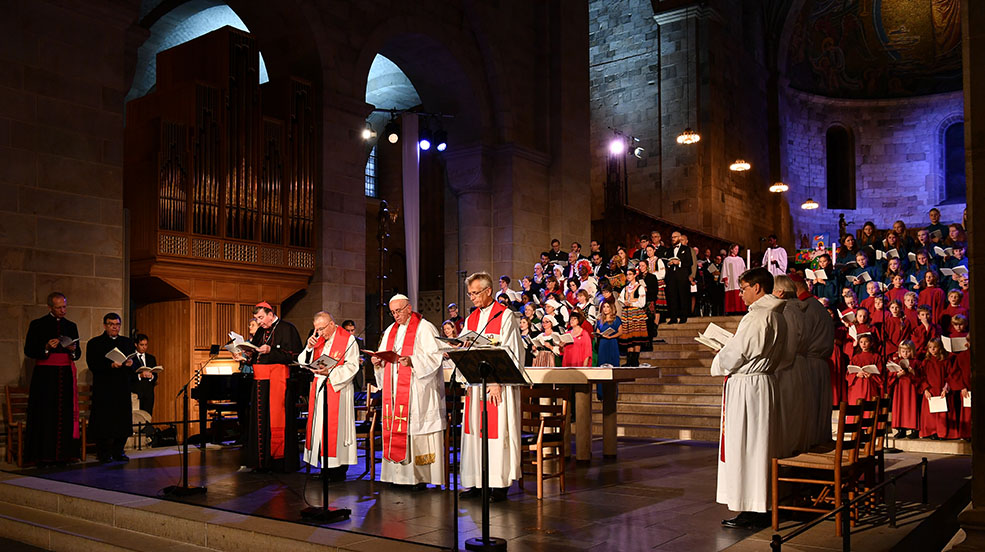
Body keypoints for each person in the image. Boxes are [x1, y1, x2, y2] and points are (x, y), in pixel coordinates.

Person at [713, 267, 786, 529]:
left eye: (743, 288)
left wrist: (720, 355)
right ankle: (760, 503)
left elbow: (736, 354)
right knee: (759, 445)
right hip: (763, 383)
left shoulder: (757, 317)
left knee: (745, 446)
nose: (741, 294)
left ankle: (751, 507)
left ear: (757, 287)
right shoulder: (778, 316)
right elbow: (785, 356)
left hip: (748, 387)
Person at [458, 272, 525, 502]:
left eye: (475, 293)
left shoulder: (505, 316)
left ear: (488, 291)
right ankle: (477, 482)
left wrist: (497, 381)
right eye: (470, 294)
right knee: (475, 433)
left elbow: (513, 351)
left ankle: (498, 484)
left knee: (496, 435)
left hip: (497, 388)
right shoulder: (471, 319)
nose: (472, 298)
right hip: (476, 386)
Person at [373, 295, 446, 488]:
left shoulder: (425, 328)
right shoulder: (390, 331)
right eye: (393, 312)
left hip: (417, 390)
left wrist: (412, 360)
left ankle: (419, 478)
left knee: (415, 432)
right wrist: (378, 362)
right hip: (395, 391)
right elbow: (384, 355)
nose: (396, 315)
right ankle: (397, 477)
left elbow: (435, 357)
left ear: (409, 308)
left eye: (399, 311)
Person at [242, 302, 303, 472]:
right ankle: (262, 461)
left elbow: (295, 356)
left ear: (270, 313)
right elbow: (256, 353)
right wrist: (249, 353)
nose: (259, 322)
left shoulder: (287, 328)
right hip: (260, 381)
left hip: (278, 381)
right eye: (257, 318)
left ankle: (279, 461)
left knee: (277, 419)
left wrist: (271, 351)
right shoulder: (261, 331)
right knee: (260, 421)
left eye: (261, 317)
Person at [298, 311, 360, 480]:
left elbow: (353, 366)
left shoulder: (348, 340)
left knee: (335, 430)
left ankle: (338, 471)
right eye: (316, 329)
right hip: (320, 388)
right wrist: (309, 347)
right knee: (320, 428)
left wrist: (331, 373)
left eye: (322, 329)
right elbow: (303, 362)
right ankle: (324, 468)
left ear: (331, 324)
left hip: (338, 388)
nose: (319, 333)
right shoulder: (318, 340)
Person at [23, 291, 82, 465]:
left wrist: (72, 350)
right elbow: (29, 350)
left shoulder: (71, 325)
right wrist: (46, 347)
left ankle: (65, 455)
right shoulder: (37, 325)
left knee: (65, 414)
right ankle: (44, 456)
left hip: (65, 375)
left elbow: (77, 353)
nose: (63, 310)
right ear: (50, 307)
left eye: (64, 306)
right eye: (58, 308)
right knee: (45, 414)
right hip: (45, 377)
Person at [86, 313, 136, 463]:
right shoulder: (95, 343)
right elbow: (93, 364)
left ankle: (118, 451)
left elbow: (134, 363)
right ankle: (103, 452)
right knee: (104, 421)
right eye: (111, 324)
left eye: (117, 324)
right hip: (104, 388)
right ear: (105, 325)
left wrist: (130, 364)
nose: (115, 327)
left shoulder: (127, 342)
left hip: (122, 387)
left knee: (122, 420)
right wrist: (110, 365)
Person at [793, 276, 835, 447]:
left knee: (810, 411)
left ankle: (810, 453)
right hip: (821, 363)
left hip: (809, 363)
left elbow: (799, 338)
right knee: (819, 410)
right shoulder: (818, 306)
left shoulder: (804, 307)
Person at [772, 276, 810, 456]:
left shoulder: (787, 312)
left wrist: (773, 366)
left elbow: (789, 347)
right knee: (794, 415)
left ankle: (786, 459)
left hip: (788, 367)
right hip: (798, 364)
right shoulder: (798, 310)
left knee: (788, 417)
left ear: (780, 292)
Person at [919, 338, 953, 439]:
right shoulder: (926, 362)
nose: (932, 350)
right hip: (930, 390)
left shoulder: (945, 361)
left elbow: (950, 375)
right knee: (930, 414)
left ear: (940, 348)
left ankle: (942, 432)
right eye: (930, 348)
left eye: (935, 347)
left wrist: (945, 388)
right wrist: (925, 389)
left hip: (941, 390)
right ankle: (932, 432)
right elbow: (922, 377)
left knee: (942, 413)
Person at [889, 341, 921, 439]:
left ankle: (914, 429)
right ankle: (901, 429)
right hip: (900, 388)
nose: (905, 354)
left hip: (911, 388)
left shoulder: (916, 362)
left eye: (908, 351)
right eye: (903, 351)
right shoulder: (896, 362)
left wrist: (913, 372)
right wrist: (897, 375)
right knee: (900, 406)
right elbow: (890, 376)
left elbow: (921, 376)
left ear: (912, 351)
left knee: (911, 406)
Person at [617, 264, 648, 366]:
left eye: (630, 274)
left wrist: (632, 303)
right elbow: (620, 299)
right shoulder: (626, 288)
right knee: (629, 338)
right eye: (627, 274)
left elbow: (642, 302)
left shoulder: (640, 288)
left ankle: (635, 360)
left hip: (636, 314)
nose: (628, 276)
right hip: (627, 314)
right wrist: (625, 303)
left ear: (635, 275)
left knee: (636, 338)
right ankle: (629, 360)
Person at [665, 231, 693, 324]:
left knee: (683, 297)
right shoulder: (669, 250)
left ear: (680, 238)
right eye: (672, 237)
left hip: (682, 276)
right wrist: (669, 264)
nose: (673, 239)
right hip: (671, 277)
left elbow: (690, 263)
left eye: (675, 237)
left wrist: (679, 263)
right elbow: (665, 262)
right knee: (673, 297)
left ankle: (683, 317)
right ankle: (673, 317)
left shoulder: (686, 249)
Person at [130, 334, 158, 416]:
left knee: (147, 417)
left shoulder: (151, 358)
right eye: (142, 345)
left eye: (146, 345)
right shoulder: (131, 358)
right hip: (136, 393)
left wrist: (152, 376)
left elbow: (155, 376)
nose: (144, 347)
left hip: (148, 394)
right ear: (136, 344)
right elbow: (129, 376)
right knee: (137, 418)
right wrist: (139, 376)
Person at [721, 245, 747, 314]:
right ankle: (731, 311)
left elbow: (744, 269)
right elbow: (724, 269)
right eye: (735, 249)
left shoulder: (740, 259)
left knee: (739, 293)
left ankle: (740, 310)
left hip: (738, 280)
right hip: (731, 280)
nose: (737, 250)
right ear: (731, 250)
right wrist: (725, 279)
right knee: (731, 295)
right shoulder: (727, 259)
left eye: (737, 249)